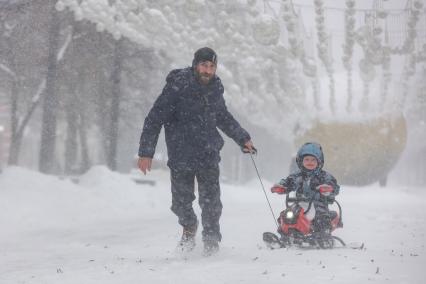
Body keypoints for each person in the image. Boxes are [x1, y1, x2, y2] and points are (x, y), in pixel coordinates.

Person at [137, 47, 256, 255]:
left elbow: (223, 117)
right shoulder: (178, 86)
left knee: (211, 202)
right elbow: (154, 118)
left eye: (211, 66)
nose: (207, 70)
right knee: (181, 202)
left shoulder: (216, 88)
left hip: (208, 152)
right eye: (204, 65)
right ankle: (189, 227)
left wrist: (243, 138)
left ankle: (211, 240)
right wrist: (146, 152)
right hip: (181, 153)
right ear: (195, 65)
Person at [270, 142, 340, 232]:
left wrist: (328, 189)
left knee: (321, 217)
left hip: (318, 204)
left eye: (313, 160)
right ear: (301, 161)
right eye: (306, 159)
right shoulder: (297, 176)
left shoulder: (325, 176)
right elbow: (288, 182)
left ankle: (322, 235)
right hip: (300, 203)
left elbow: (334, 187)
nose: (309, 162)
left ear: (319, 161)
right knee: (287, 215)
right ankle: (285, 233)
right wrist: (281, 187)